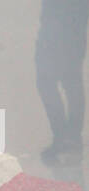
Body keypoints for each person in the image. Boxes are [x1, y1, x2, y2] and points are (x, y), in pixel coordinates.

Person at [35, 0, 89, 165]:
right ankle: (69, 137)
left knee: (51, 81)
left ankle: (65, 136)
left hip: (62, 27)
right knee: (67, 81)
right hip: (68, 26)